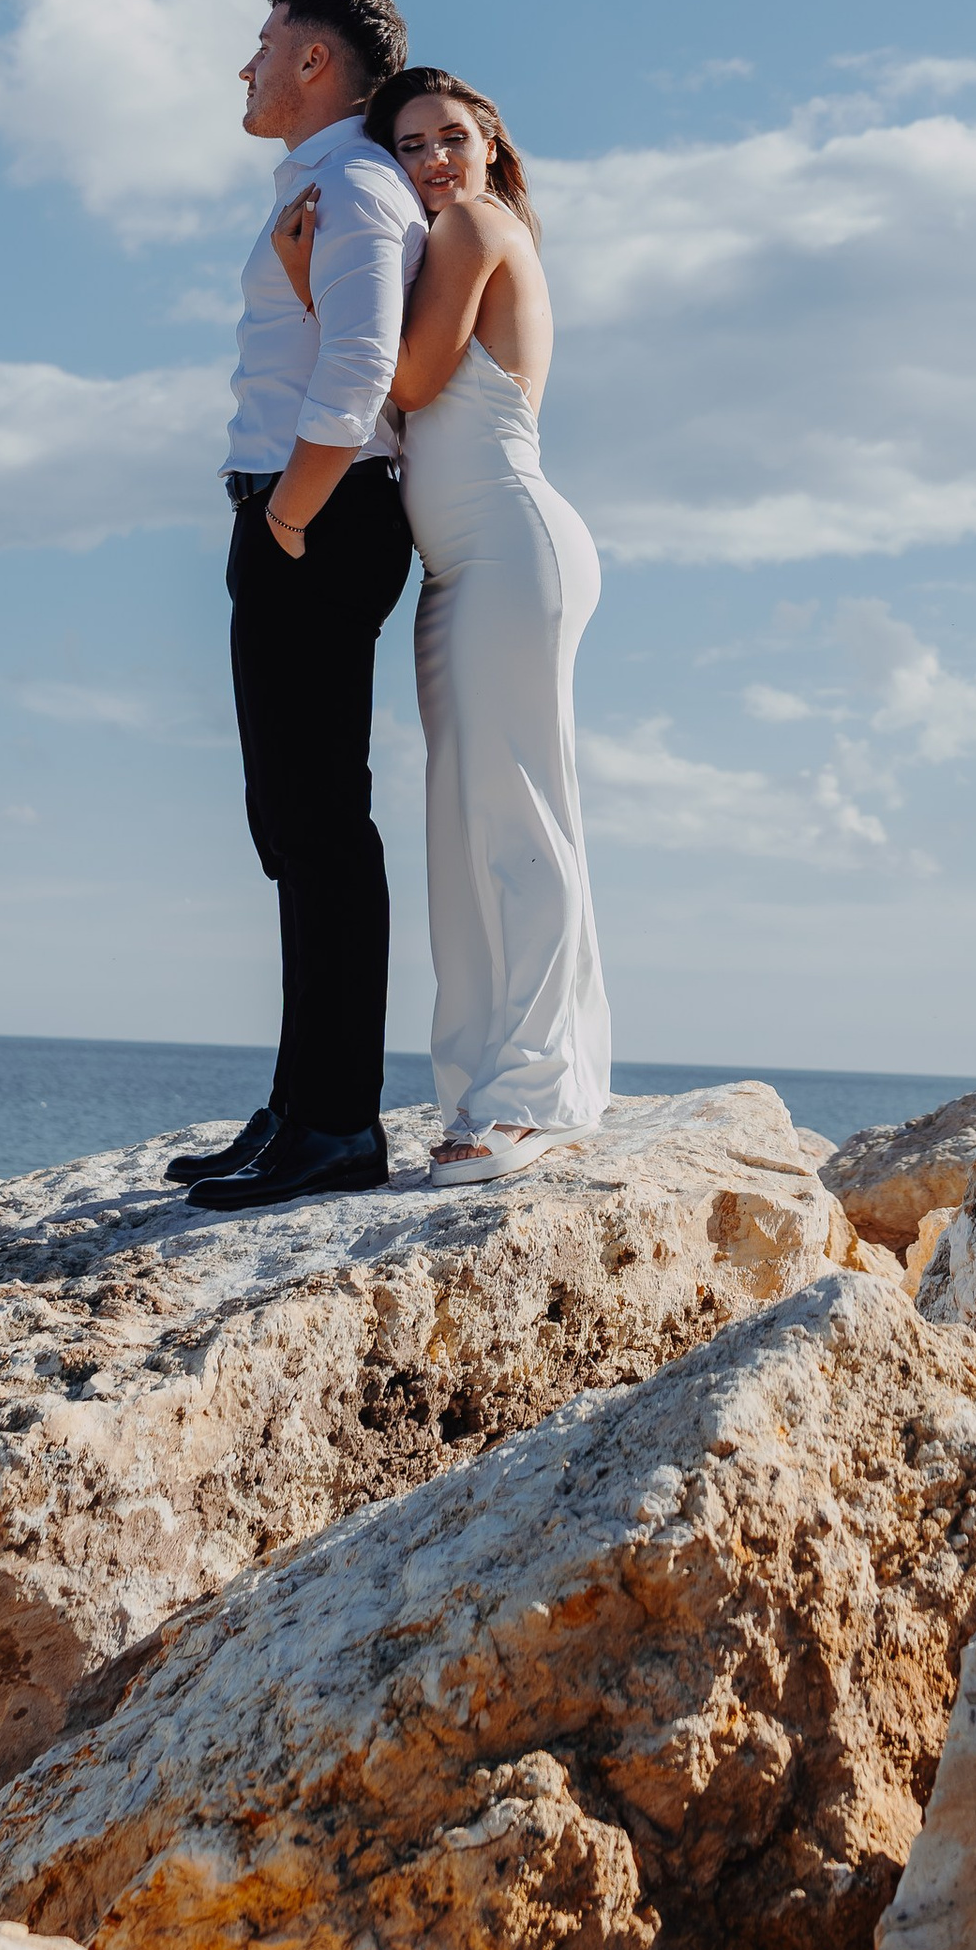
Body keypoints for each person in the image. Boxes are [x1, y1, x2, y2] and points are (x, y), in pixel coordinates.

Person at [275, 65, 610, 1180]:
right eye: (409, 145)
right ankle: (486, 1083)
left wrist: (310, 285)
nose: (432, 162)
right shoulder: (453, 235)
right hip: (461, 567)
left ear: (491, 141)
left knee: (516, 816)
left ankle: (535, 1092)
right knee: (470, 827)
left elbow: (408, 383)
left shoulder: (472, 225)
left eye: (450, 135)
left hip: (510, 549)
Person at [176, 0, 423, 1213]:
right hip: (298, 510)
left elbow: (363, 363)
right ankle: (300, 1104)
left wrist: (286, 513)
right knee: (290, 820)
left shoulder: (358, 187)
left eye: (262, 46)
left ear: (316, 61)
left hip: (317, 512)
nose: (246, 68)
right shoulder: (320, 186)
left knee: (321, 822)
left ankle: (337, 1122)